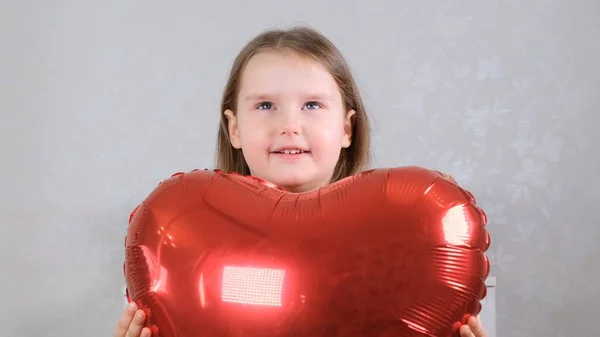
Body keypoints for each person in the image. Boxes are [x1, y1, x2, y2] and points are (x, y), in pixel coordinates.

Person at [114, 25, 488, 337]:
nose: (289, 125)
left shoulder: (416, 244)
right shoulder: (182, 248)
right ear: (235, 128)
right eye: (265, 106)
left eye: (312, 105)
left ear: (346, 128)